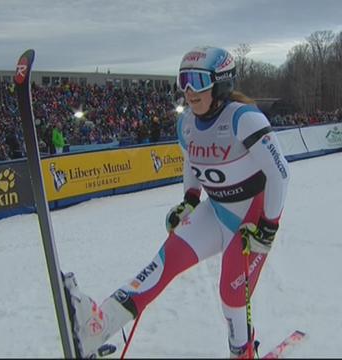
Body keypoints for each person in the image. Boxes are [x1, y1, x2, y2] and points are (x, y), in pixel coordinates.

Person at [65, 46, 290, 358]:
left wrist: (269, 226)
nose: (189, 91)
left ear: (221, 83)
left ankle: (243, 353)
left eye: (198, 81)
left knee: (231, 295)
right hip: (216, 211)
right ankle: (97, 327)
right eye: (183, 80)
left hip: (251, 218)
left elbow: (280, 174)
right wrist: (190, 199)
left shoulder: (244, 118)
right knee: (161, 265)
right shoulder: (186, 124)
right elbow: (191, 162)